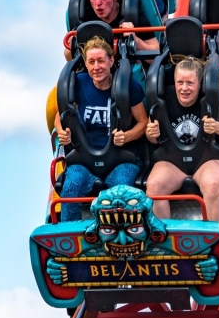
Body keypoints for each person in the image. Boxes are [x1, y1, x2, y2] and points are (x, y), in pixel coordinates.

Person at [54, 35, 149, 221]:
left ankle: (119, 238)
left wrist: (127, 136)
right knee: (70, 188)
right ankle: (71, 240)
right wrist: (61, 131)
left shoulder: (128, 86)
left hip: (120, 157)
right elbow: (60, 115)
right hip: (85, 158)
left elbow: (143, 122)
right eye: (91, 62)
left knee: (121, 192)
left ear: (111, 60)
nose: (96, 67)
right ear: (86, 64)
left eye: (100, 61)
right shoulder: (79, 83)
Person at [144, 57, 219, 222]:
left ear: (200, 84)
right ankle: (164, 238)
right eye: (180, 82)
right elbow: (152, 138)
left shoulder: (216, 97)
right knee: (154, 187)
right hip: (173, 159)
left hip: (208, 157)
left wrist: (217, 126)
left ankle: (213, 238)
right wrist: (151, 133)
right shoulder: (163, 99)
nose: (184, 88)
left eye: (190, 83)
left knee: (212, 186)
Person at [65, 0, 159, 61]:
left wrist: (135, 40)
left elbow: (155, 55)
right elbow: (69, 57)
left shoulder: (132, 15)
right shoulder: (84, 18)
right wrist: (72, 45)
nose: (98, 3)